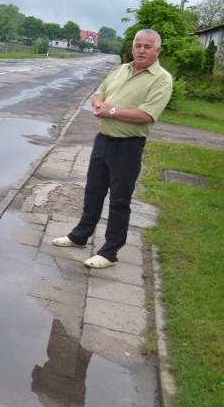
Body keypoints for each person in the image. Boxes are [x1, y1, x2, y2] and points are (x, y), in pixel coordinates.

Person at [53, 29, 173, 269]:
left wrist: (112, 111)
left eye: (147, 47)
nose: (141, 50)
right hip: (104, 140)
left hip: (128, 146)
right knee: (93, 192)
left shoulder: (161, 78)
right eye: (138, 45)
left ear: (157, 51)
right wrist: (98, 104)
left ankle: (110, 252)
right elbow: (99, 93)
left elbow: (147, 114)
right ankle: (80, 236)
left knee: (119, 200)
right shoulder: (122, 69)